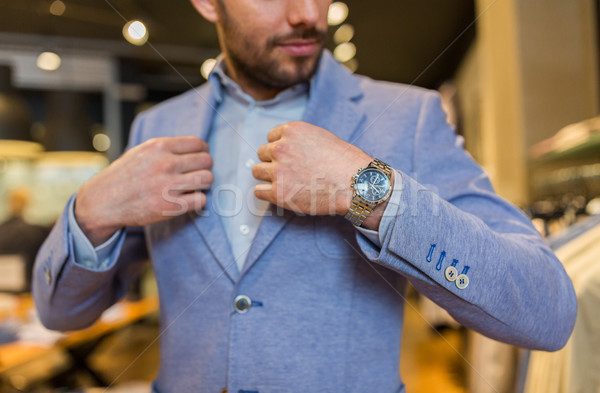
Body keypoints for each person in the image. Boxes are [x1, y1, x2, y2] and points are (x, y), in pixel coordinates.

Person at [33, 1, 577, 392]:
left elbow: (546, 310)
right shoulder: (157, 124)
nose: (308, 14)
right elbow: (61, 313)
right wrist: (91, 211)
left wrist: (370, 190)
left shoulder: (408, 117)